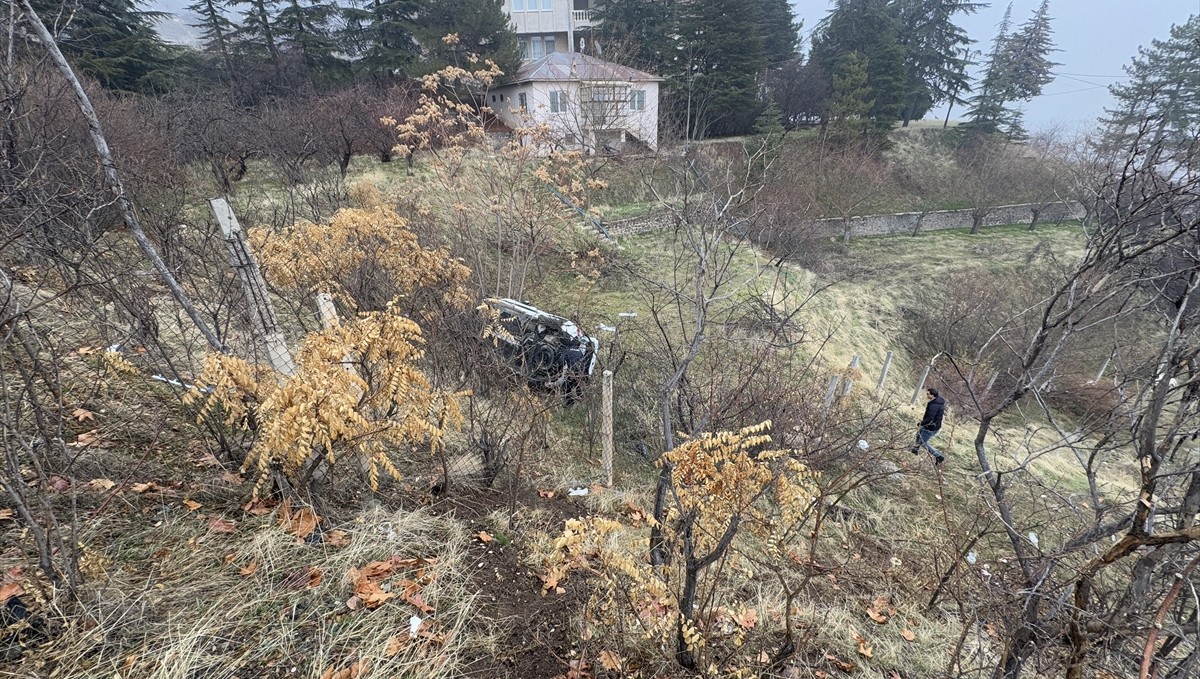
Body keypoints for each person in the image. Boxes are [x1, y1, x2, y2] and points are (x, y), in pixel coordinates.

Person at [911, 387, 946, 465]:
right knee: (918, 435)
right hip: (931, 425)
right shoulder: (937, 401)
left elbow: (930, 418)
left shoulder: (934, 405)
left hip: (931, 427)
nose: (926, 395)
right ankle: (915, 450)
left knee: (923, 443)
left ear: (932, 395)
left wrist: (920, 423)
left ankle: (939, 456)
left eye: (928, 394)